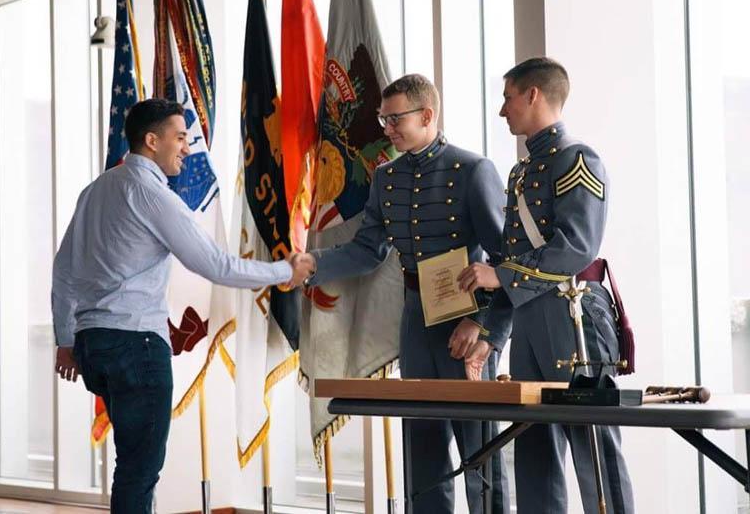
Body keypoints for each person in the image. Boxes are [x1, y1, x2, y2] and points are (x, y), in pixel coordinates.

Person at [52, 98, 313, 513]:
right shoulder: (152, 194)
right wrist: (284, 271)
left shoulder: (95, 190)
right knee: (139, 470)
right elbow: (214, 264)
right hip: (136, 347)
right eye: (180, 138)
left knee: (131, 466)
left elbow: (63, 270)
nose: (187, 148)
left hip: (93, 346)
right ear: (151, 141)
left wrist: (66, 340)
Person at [300, 74, 509, 514]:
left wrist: (486, 327)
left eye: (395, 119)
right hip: (415, 319)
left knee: (480, 449)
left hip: (465, 319)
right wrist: (314, 264)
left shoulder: (472, 170)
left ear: (427, 116)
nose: (386, 129)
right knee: (422, 445)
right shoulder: (387, 177)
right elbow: (366, 250)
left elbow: (506, 263)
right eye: (383, 118)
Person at [458, 57, 635, 513]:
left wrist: (501, 276)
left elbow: (577, 246)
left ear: (533, 94)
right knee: (533, 451)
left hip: (574, 318)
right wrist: (491, 334)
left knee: (593, 451)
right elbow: (516, 260)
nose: (502, 111)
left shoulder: (578, 159)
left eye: (508, 98)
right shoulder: (522, 172)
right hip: (531, 321)